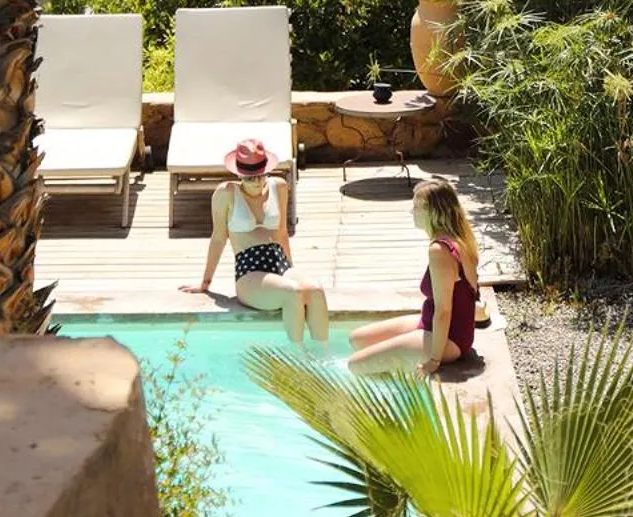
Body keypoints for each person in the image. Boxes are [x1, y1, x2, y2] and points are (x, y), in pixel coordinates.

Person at [179, 138, 328, 344]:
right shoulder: (226, 193)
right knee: (292, 292)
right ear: (239, 174)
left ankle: (323, 357)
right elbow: (219, 238)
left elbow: (282, 231)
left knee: (315, 290)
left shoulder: (279, 186)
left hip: (280, 263)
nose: (257, 182)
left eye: (261, 175)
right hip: (250, 271)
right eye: (250, 178)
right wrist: (205, 283)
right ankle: (299, 360)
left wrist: (291, 270)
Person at [348, 174, 479, 376]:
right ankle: (398, 371)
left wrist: (434, 360)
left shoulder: (440, 251)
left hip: (450, 339)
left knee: (355, 365)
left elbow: (444, 311)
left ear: (433, 212)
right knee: (357, 339)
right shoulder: (461, 239)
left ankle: (396, 391)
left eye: (417, 207)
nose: (412, 212)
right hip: (432, 323)